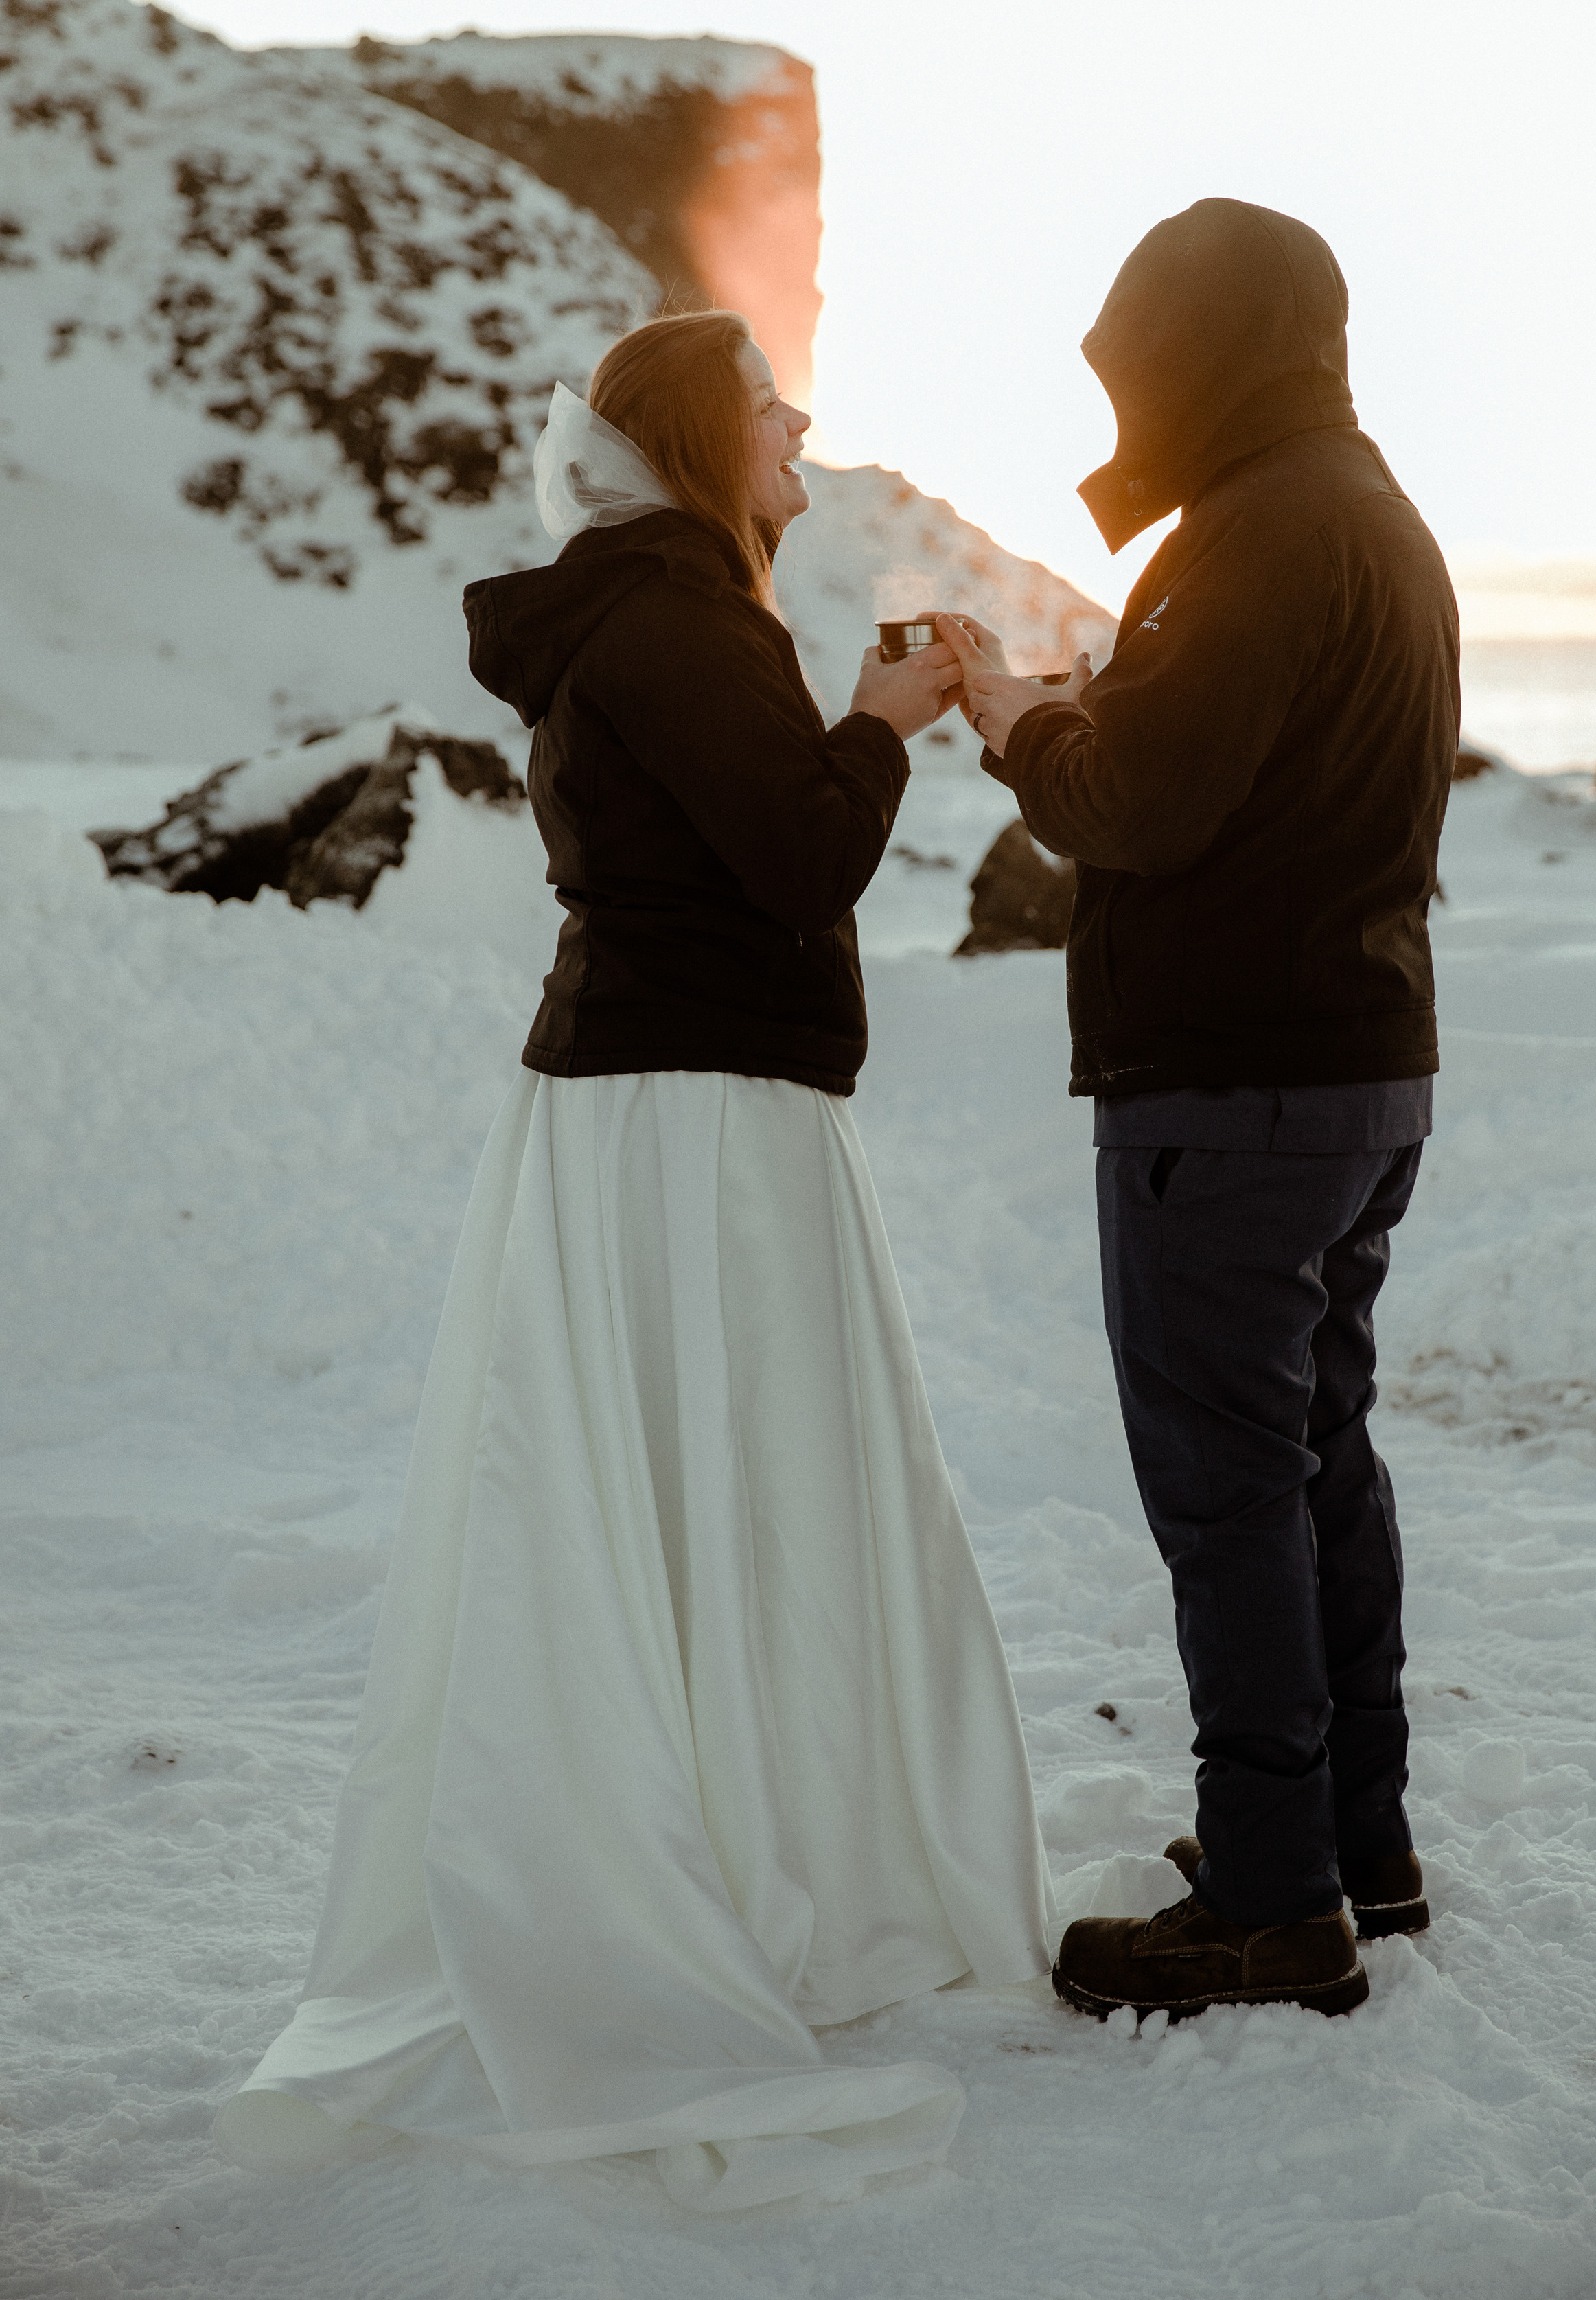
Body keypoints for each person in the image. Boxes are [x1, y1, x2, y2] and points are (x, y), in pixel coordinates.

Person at [216, 310, 1052, 2210]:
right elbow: (799, 862)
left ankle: (755, 1835)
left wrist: (851, 714)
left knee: (690, 1483)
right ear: (692, 436)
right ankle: (753, 1865)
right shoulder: (679, 615)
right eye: (768, 404)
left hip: (658, 1096)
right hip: (701, 1114)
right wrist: (881, 724)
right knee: (744, 1480)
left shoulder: (649, 608)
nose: (798, 420)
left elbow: (731, 837)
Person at [939, 198, 1460, 2025]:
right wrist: (1099, 706)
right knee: (1319, 1464)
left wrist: (1019, 723)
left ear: (1210, 353)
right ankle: (1354, 1848)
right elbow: (1252, 771)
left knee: (1232, 1499)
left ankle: (1268, 1902)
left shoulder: (1251, 530)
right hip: (1360, 1068)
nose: (1126, 400)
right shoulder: (1369, 512)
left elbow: (1143, 809)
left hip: (1232, 1096)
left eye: (1139, 363)